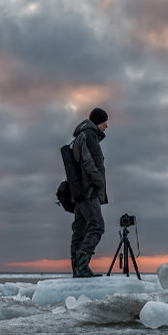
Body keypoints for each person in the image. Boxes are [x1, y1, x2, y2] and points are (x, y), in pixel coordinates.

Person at [70, 107, 109, 277]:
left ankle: (77, 270)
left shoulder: (81, 136)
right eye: (105, 122)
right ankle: (82, 266)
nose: (107, 126)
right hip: (88, 191)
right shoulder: (89, 135)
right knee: (97, 226)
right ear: (98, 121)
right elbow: (90, 163)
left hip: (78, 192)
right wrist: (99, 183)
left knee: (79, 231)